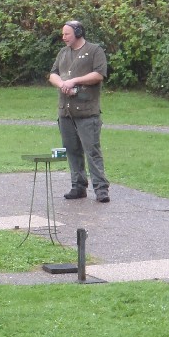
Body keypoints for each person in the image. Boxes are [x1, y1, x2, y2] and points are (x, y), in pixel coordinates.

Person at [49, 20, 110, 203]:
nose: (63, 37)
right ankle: (78, 186)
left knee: (92, 152)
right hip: (66, 112)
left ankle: (101, 189)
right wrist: (62, 84)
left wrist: (74, 81)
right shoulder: (63, 53)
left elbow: (99, 74)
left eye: (67, 34)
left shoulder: (94, 51)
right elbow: (53, 74)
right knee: (72, 151)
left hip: (87, 112)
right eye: (63, 34)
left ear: (77, 33)